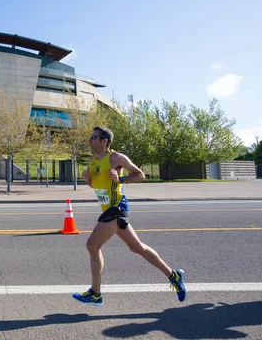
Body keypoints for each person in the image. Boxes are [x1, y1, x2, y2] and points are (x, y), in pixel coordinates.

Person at [72, 126, 186, 307]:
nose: (90, 140)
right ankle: (174, 275)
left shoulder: (115, 158)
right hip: (108, 209)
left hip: (117, 207)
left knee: (92, 245)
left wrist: (121, 179)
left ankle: (95, 293)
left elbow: (140, 175)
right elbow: (98, 186)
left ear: (104, 141)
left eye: (94, 137)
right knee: (137, 248)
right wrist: (87, 180)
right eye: (90, 137)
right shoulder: (92, 160)